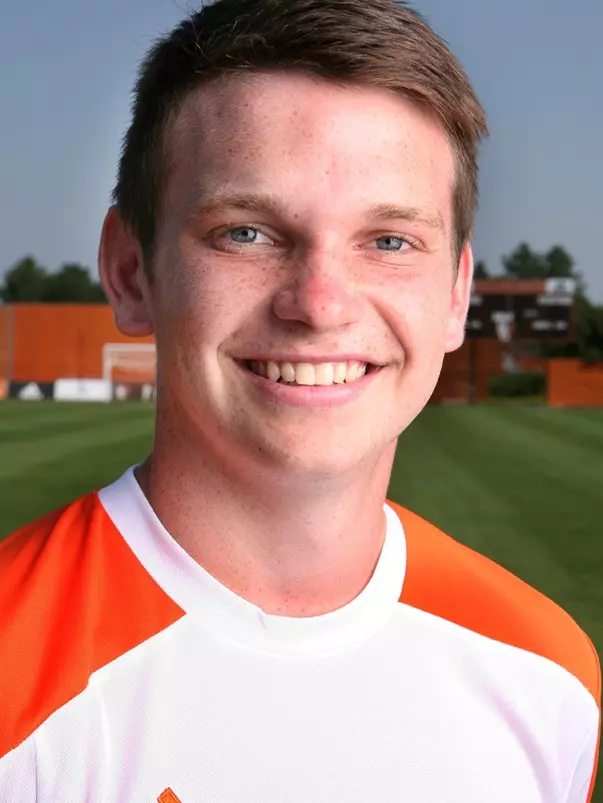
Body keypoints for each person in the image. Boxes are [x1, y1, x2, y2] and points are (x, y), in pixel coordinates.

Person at [0, 0, 600, 800]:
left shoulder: (548, 676)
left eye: (389, 241)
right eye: (246, 231)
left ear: (456, 293)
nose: (319, 303)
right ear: (130, 271)